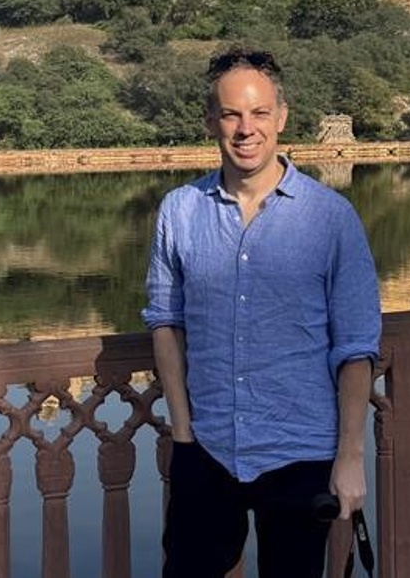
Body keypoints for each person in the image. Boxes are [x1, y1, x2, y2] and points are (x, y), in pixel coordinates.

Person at [142, 47, 382, 578]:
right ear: (211, 121)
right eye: (231, 114)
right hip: (206, 448)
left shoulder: (330, 217)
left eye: (258, 113)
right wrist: (183, 434)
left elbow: (356, 346)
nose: (245, 129)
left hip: (300, 452)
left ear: (281, 117)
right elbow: (165, 320)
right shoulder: (179, 211)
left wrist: (350, 456)